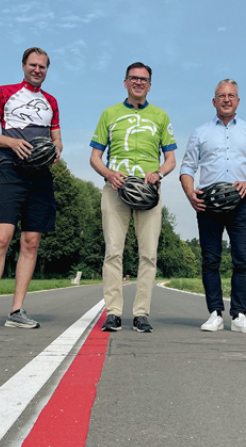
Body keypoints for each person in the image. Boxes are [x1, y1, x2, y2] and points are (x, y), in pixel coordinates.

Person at [0, 47, 63, 333]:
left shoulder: (51, 101)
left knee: (31, 241)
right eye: (33, 65)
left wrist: (55, 151)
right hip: (11, 170)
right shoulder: (4, 92)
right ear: (23, 66)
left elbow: (58, 140)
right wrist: (11, 143)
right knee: (1, 238)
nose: (37, 70)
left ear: (47, 70)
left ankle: (16, 310)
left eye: (43, 66)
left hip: (40, 176)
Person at [89, 62, 177, 333]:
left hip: (149, 192)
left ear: (149, 85)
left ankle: (141, 313)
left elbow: (171, 159)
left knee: (148, 254)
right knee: (113, 252)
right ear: (125, 82)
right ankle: (113, 312)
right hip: (117, 189)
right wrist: (109, 174)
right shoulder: (109, 114)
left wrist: (159, 173)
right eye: (134, 78)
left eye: (144, 79)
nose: (139, 83)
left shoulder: (161, 116)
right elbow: (95, 157)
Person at [179, 79, 246, 334]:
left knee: (242, 259)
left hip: (240, 201)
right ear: (214, 101)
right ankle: (215, 314)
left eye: (231, 95)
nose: (227, 99)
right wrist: (190, 193)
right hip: (207, 203)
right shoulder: (200, 132)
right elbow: (187, 167)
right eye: (221, 95)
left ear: (238, 100)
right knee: (210, 260)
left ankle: (239, 315)